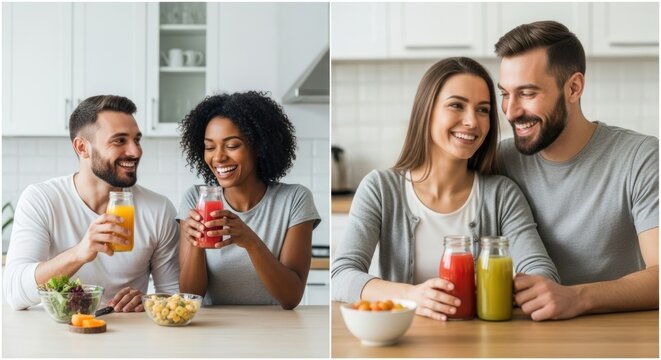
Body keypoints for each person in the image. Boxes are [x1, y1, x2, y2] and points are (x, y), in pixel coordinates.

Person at [331, 57, 559, 321]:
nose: (472, 121)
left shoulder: (501, 194)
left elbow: (542, 273)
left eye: (483, 110)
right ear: (426, 111)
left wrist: (503, 289)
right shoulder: (381, 189)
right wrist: (411, 295)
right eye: (456, 105)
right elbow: (341, 276)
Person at [494, 21, 659, 321]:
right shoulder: (501, 160)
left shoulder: (639, 156)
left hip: (616, 335)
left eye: (527, 93)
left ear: (574, 87)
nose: (510, 111)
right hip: (525, 337)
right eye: (505, 93)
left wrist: (576, 297)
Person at [4, 95, 180, 312]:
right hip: (59, 334)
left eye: (137, 140)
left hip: (131, 337)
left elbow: (173, 295)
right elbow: (14, 293)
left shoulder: (159, 209)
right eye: (119, 140)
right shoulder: (42, 199)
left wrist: (146, 301)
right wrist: (79, 253)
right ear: (82, 147)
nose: (135, 151)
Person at [177, 91, 321, 309]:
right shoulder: (196, 198)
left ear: (259, 146)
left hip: (274, 332)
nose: (218, 157)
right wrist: (197, 243)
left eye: (232, 145)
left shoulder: (295, 199)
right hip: (211, 334)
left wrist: (251, 242)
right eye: (209, 147)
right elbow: (189, 296)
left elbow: (291, 297)